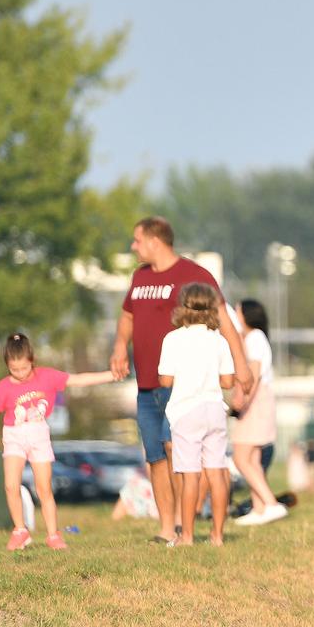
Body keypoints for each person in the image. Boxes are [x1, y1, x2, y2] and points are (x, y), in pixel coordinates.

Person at [110, 217, 250, 545]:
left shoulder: (195, 275)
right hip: (146, 384)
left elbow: (225, 324)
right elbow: (127, 316)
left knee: (177, 454)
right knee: (155, 457)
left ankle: (184, 528)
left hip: (180, 389)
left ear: (155, 241)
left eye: (137, 240)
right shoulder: (140, 277)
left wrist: (241, 365)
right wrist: (119, 347)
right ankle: (166, 526)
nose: (133, 247)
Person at [0, 333, 116, 550]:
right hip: (14, 435)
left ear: (32, 360)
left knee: (44, 488)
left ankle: (53, 535)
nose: (20, 374)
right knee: (11, 485)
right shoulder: (4, 387)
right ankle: (20, 530)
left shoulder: (47, 377)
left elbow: (78, 380)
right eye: (14, 369)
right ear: (8, 365)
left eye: (24, 368)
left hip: (39, 435)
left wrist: (110, 375)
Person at [157, 283, 236, 546]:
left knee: (190, 475)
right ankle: (217, 536)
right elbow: (227, 382)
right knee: (216, 471)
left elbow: (165, 381)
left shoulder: (173, 339)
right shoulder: (219, 339)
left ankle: (187, 536)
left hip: (186, 410)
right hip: (214, 409)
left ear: (183, 306)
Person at [231, 300, 287, 527]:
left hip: (256, 401)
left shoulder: (254, 338)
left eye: (237, 311)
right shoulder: (256, 338)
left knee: (240, 457)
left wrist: (241, 401)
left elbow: (253, 375)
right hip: (262, 400)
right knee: (253, 458)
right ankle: (259, 508)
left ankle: (271, 504)